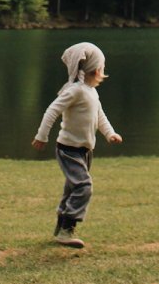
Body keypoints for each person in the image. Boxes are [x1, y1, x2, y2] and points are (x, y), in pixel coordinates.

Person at [32, 41, 122, 248]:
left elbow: (99, 116)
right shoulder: (75, 91)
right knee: (84, 186)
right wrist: (42, 136)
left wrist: (110, 133)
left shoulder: (91, 91)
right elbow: (52, 111)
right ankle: (67, 230)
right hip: (69, 149)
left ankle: (60, 225)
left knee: (72, 188)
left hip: (85, 150)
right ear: (97, 69)